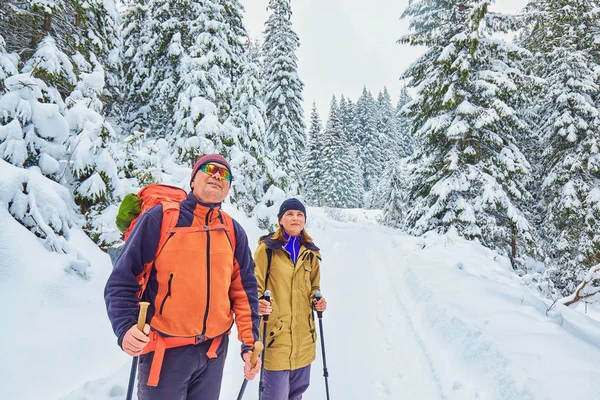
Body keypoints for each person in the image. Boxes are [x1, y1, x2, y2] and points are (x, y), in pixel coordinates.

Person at [104, 154, 261, 400]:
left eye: (225, 174)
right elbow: (123, 281)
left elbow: (244, 292)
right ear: (193, 179)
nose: (218, 176)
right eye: (210, 169)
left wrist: (250, 345)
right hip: (164, 354)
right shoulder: (161, 218)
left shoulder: (233, 231)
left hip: (213, 353)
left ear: (229, 187)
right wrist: (125, 328)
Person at [254, 198, 327, 400]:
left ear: (304, 220)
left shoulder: (311, 253)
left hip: (304, 338)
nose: (295, 218)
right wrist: (258, 302)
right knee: (275, 395)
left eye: (299, 215)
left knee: (296, 395)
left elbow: (314, 287)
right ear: (280, 220)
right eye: (290, 214)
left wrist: (318, 300)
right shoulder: (267, 250)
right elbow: (254, 285)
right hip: (276, 336)